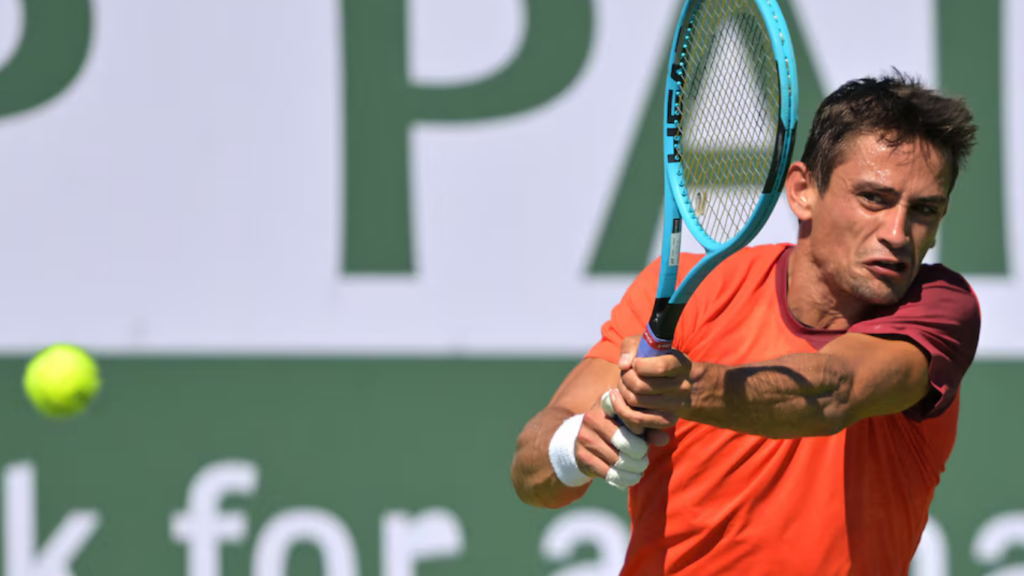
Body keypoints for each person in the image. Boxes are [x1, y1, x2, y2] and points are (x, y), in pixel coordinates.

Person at [511, 71, 981, 575]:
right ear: (802, 190)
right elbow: (530, 475)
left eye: (924, 210)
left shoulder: (940, 309)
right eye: (874, 198)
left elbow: (833, 391)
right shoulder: (686, 293)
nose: (898, 233)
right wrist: (575, 445)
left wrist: (682, 388)